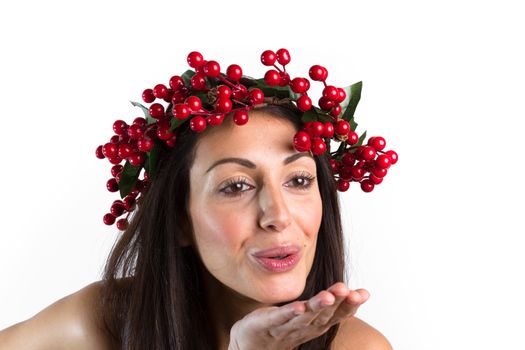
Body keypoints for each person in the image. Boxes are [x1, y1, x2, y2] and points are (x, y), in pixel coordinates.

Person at [0, 50, 395, 349]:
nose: (277, 215)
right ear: (179, 220)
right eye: (236, 186)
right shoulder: (98, 324)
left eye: (298, 179)